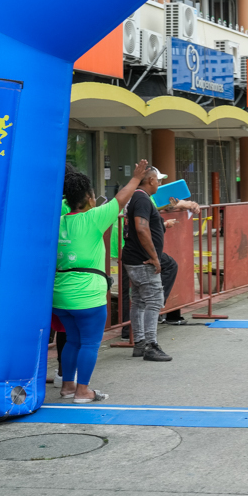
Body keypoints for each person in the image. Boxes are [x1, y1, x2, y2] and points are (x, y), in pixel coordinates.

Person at [55, 159, 148, 402]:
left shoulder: (58, 221)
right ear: (88, 198)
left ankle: (67, 386)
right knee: (89, 343)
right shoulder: (93, 218)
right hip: (87, 295)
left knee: (73, 340)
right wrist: (137, 178)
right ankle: (83, 390)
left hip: (60, 294)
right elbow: (121, 198)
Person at [121, 166, 181, 362]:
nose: (159, 183)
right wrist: (154, 256)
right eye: (158, 180)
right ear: (150, 181)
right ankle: (150, 345)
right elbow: (141, 228)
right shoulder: (142, 198)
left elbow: (144, 226)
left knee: (138, 301)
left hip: (134, 257)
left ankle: (140, 343)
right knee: (154, 300)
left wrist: (161, 226)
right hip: (142, 259)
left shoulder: (138, 198)